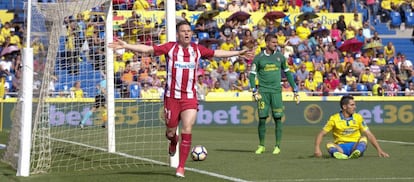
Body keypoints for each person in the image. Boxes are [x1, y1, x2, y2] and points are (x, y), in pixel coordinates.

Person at [109, 20, 251, 178]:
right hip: (171, 98)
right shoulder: (170, 48)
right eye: (183, 31)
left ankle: (181, 167)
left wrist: (238, 53)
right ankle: (173, 141)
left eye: (189, 31)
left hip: (189, 97)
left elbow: (217, 53)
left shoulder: (197, 50)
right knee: (170, 131)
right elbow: (148, 49)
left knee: (187, 128)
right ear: (178, 34)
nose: (187, 33)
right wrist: (127, 45)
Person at [248, 34, 298, 155]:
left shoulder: (280, 57)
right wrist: (254, 90)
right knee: (262, 119)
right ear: (267, 43)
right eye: (273, 42)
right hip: (263, 92)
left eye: (276, 42)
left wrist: (295, 89)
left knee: (278, 118)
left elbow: (288, 73)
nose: (276, 44)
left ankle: (277, 146)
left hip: (276, 92)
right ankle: (261, 145)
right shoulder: (259, 58)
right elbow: (252, 75)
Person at [314, 95, 390, 159]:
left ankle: (356, 152)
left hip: (355, 145)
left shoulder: (358, 117)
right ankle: (339, 155)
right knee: (329, 144)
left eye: (354, 105)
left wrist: (379, 150)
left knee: (364, 138)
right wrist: (317, 148)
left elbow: (369, 134)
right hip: (341, 147)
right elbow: (321, 134)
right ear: (344, 106)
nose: (355, 107)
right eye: (352, 105)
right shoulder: (334, 118)